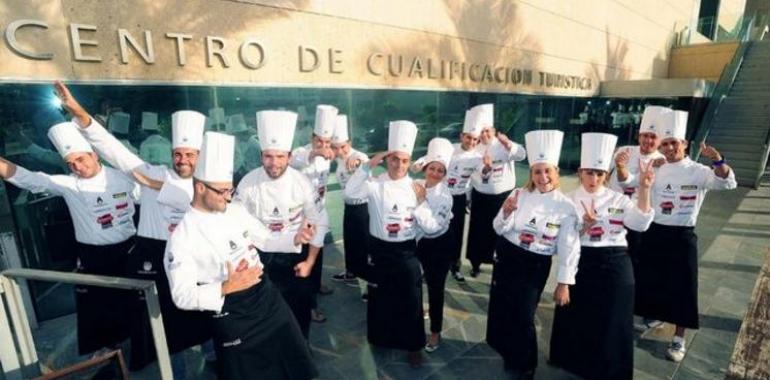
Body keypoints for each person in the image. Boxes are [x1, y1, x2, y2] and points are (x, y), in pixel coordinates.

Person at [56, 80, 213, 373]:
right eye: (178, 153)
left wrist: (157, 186)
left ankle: (213, 356)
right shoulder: (151, 172)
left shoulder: (207, 186)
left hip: (193, 255)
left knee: (202, 312)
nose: (182, 160)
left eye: (190, 154)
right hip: (154, 256)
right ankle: (174, 374)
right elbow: (112, 149)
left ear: (200, 156)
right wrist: (80, 113)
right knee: (164, 324)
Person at [164, 132, 318, 380]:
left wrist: (294, 239)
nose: (229, 196)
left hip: (267, 298)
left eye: (230, 190)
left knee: (291, 361)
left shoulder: (234, 211)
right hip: (232, 313)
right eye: (223, 191)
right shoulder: (182, 237)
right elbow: (181, 295)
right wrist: (225, 286)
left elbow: (265, 238)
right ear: (200, 187)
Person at [0, 122, 139, 357]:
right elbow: (27, 178)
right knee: (95, 307)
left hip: (128, 250)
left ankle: (141, 346)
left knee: (135, 303)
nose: (77, 167)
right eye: (70, 163)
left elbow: (153, 199)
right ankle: (105, 351)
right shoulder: (68, 185)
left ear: (94, 155)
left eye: (81, 160)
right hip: (91, 255)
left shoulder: (124, 178)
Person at [632, 110, 737, 362]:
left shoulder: (698, 171)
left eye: (674, 143)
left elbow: (727, 183)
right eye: (665, 143)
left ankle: (679, 338)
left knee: (684, 287)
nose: (669, 148)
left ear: (685, 144)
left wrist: (720, 161)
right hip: (655, 231)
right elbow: (636, 188)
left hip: (682, 235)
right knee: (651, 279)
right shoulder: (656, 167)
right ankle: (654, 316)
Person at [549, 133, 655, 379]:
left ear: (606, 176)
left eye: (599, 174)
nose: (594, 179)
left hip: (616, 260)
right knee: (578, 315)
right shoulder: (568, 201)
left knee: (614, 317)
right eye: (589, 172)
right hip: (582, 261)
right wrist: (584, 227)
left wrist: (645, 189)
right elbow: (563, 241)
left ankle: (611, 368)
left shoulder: (618, 198)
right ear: (579, 172)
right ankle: (573, 361)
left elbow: (640, 225)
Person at [486, 130, 579, 379]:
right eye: (537, 171)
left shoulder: (566, 206)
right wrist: (505, 212)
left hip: (535, 264)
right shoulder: (518, 194)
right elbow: (497, 228)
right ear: (531, 174)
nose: (542, 176)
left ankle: (527, 365)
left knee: (524, 314)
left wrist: (564, 283)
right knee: (504, 309)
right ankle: (509, 354)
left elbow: (570, 247)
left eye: (547, 170)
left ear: (556, 172)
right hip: (508, 257)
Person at [344, 120, 436, 367]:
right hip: (380, 250)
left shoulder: (416, 187)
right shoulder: (375, 184)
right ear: (386, 160)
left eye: (405, 160)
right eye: (395, 159)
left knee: (411, 299)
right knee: (380, 297)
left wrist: (422, 203)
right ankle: (380, 338)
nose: (399, 165)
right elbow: (350, 194)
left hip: (406, 251)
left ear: (409, 162)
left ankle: (414, 345)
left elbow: (429, 227)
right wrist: (367, 166)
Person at [235, 110, 324, 339]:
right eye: (268, 156)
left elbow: (318, 223)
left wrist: (310, 262)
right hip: (261, 257)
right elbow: (235, 224)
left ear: (289, 156)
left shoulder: (301, 183)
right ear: (261, 155)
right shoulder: (247, 183)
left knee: (298, 314)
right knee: (264, 316)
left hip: (295, 257)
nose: (273, 163)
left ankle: (300, 356)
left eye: (279, 156)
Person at [412, 110, 483, 283]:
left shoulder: (478, 157)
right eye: (468, 137)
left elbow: (482, 176)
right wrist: (418, 164)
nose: (471, 142)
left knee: (456, 235)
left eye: (475, 139)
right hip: (436, 194)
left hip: (457, 199)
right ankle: (423, 266)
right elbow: (423, 162)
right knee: (426, 229)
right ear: (461, 136)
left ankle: (455, 266)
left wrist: (487, 169)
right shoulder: (449, 150)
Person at [289, 105, 338, 323]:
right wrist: (317, 151)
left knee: (318, 257)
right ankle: (310, 307)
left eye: (327, 142)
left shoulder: (329, 156)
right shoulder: (302, 152)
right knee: (305, 261)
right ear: (312, 138)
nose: (324, 146)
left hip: (320, 212)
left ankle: (317, 286)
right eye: (319, 141)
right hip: (303, 220)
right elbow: (295, 160)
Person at [466, 104, 527, 277]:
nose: (484, 135)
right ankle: (476, 264)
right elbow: (474, 175)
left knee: (503, 231)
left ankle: (500, 262)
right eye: (481, 132)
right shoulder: (475, 149)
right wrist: (485, 169)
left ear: (493, 130)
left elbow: (522, 155)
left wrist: (509, 145)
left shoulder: (503, 144)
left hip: (503, 196)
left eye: (487, 131)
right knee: (479, 233)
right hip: (481, 197)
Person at [413, 138, 455, 353]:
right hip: (419, 244)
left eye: (440, 170)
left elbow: (432, 227)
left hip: (439, 245)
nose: (435, 173)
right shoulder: (417, 185)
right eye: (432, 168)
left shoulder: (445, 197)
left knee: (436, 289)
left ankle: (436, 332)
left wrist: (421, 202)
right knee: (417, 283)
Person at [329, 114, 371, 285]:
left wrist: (357, 162)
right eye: (336, 147)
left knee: (365, 245)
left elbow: (365, 165)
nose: (341, 151)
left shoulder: (359, 156)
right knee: (350, 242)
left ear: (350, 143)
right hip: (349, 207)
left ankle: (369, 283)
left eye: (344, 147)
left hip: (364, 208)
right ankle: (351, 271)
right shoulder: (338, 159)